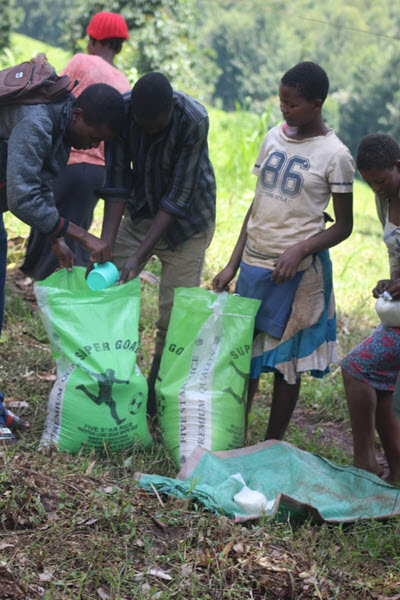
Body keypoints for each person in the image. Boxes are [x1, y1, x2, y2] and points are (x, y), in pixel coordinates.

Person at [213, 61, 354, 441]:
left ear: (317, 103)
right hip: (255, 264)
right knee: (244, 358)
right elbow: (256, 205)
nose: (284, 110)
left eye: (292, 104)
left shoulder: (335, 154)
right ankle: (232, 433)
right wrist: (232, 263)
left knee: (285, 362)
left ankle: (272, 442)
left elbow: (343, 226)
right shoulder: (274, 137)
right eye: (281, 102)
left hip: (298, 272)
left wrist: (300, 249)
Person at [0, 80, 126, 445]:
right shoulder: (40, 122)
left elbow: (35, 183)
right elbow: (23, 198)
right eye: (94, 134)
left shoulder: (59, 124)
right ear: (80, 114)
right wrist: (81, 235)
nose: (94, 145)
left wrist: (55, 240)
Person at [98, 72, 216, 414]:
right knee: (109, 292)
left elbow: (179, 196)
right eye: (142, 124)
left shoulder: (193, 120)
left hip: (187, 225)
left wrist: (140, 256)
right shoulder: (120, 112)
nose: (149, 131)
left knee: (174, 317)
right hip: (139, 212)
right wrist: (107, 242)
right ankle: (112, 379)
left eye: (156, 127)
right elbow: (117, 179)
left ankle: (153, 396)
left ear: (171, 108)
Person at [21, 11, 130, 280]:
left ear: (93, 40)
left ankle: (43, 286)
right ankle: (64, 287)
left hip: (68, 162)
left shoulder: (82, 61)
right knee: (75, 229)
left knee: (48, 219)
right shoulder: (123, 82)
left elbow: (56, 99)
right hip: (97, 174)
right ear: (119, 45)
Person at [341, 133, 400, 485]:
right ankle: (395, 475)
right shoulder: (387, 198)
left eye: (381, 179)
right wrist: (389, 283)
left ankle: (364, 460)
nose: (375, 187)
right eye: (369, 181)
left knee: (356, 367)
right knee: (380, 392)